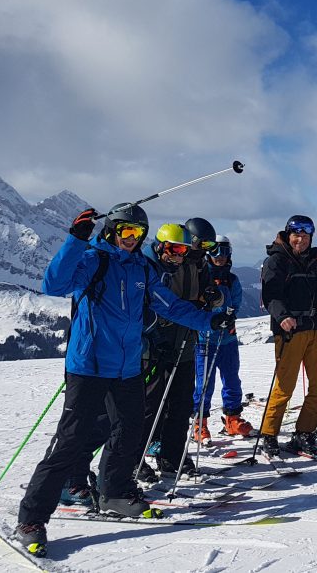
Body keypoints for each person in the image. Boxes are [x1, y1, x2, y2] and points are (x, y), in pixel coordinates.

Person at [15, 204, 224, 554]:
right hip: (90, 365)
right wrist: (76, 240)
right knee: (71, 440)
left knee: (129, 431)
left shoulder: (141, 267)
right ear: (112, 231)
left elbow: (169, 305)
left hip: (127, 367)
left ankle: (113, 492)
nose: (132, 239)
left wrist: (209, 320)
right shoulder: (94, 261)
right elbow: (54, 283)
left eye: (138, 234)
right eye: (126, 232)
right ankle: (32, 517)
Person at [138, 221, 224, 480]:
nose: (201, 250)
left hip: (185, 338)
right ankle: (136, 457)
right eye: (200, 244)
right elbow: (156, 301)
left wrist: (212, 296)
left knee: (181, 401)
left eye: (209, 246)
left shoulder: (201, 265)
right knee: (149, 402)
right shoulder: (159, 264)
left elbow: (215, 297)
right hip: (156, 340)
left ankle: (172, 457)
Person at [260, 216, 317, 454]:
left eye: (305, 235)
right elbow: (270, 294)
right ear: (287, 235)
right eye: (296, 234)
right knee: (285, 386)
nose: (300, 239)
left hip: (313, 329)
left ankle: (304, 432)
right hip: (290, 332)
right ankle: (269, 434)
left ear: (311, 236)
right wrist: (282, 316)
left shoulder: (315, 264)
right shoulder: (277, 261)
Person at [193, 236, 252, 441]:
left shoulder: (232, 279)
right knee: (204, 384)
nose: (220, 257)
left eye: (225, 252)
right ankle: (200, 423)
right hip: (205, 339)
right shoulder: (201, 275)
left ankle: (233, 419)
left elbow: (235, 304)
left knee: (232, 379)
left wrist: (230, 317)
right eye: (217, 251)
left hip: (227, 339)